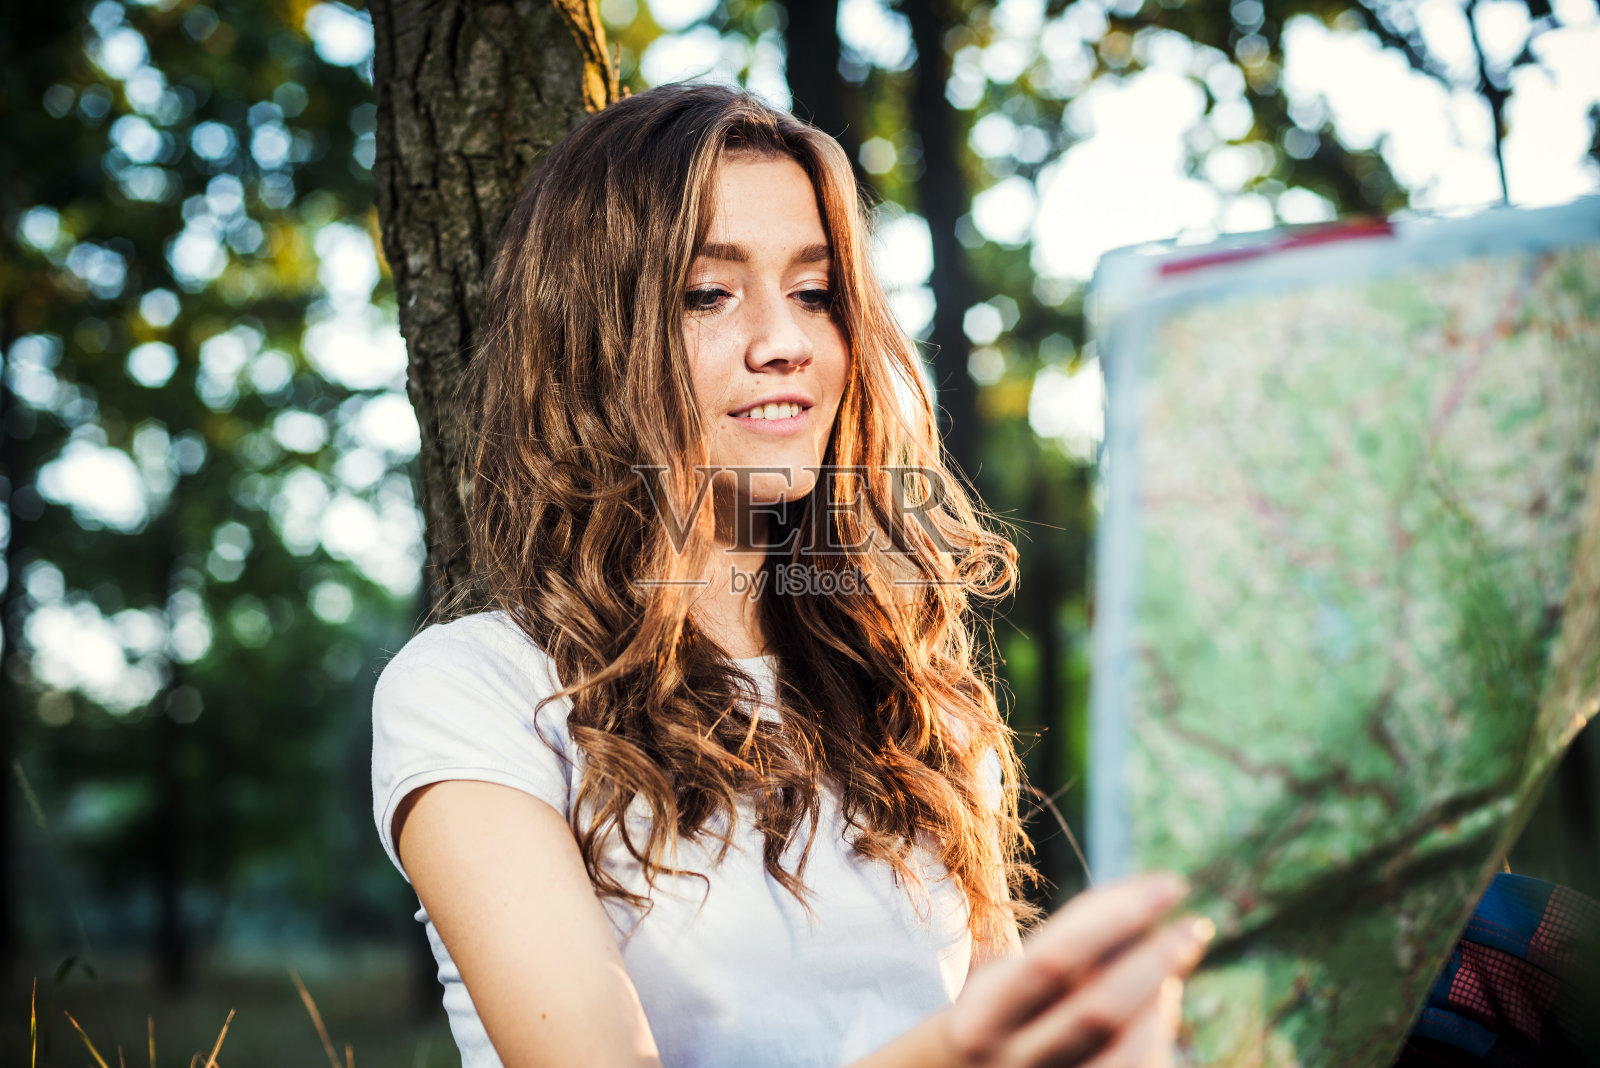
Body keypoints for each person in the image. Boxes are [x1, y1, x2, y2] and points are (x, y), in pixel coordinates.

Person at [370, 82, 1212, 1068]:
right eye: (707, 293)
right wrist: (967, 1046)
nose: (787, 342)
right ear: (589, 341)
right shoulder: (474, 692)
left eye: (816, 293)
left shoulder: (916, 702)